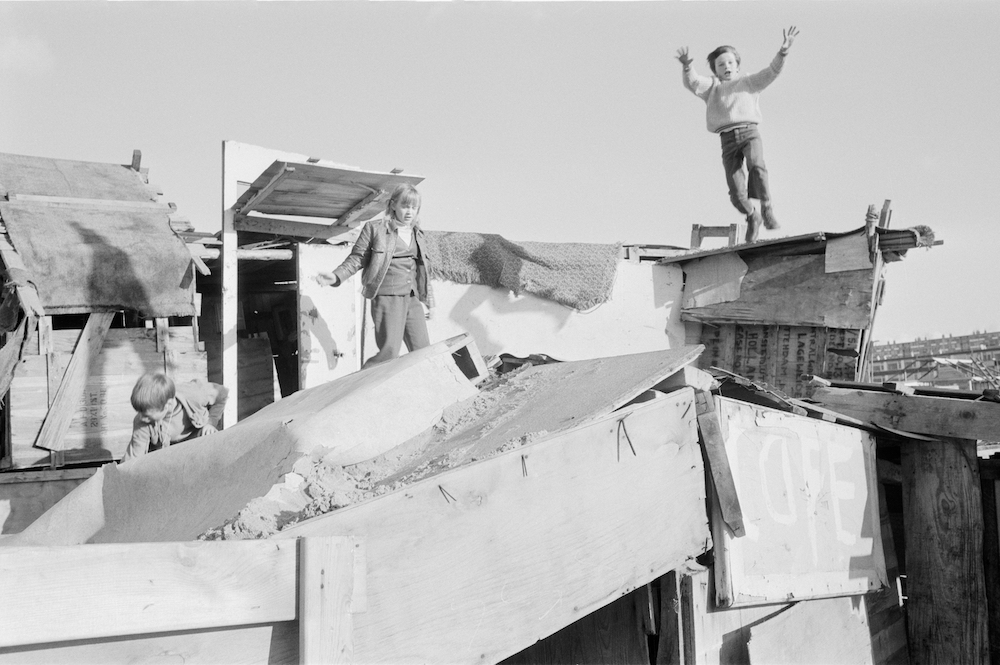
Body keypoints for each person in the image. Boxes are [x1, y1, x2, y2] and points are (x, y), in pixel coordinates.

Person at [677, 26, 800, 243]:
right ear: (715, 70)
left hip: (749, 132)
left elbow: (771, 72)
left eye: (730, 63)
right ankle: (753, 216)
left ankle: (767, 207)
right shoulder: (712, 87)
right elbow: (693, 82)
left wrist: (783, 52)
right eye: (721, 64)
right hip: (726, 139)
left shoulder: (749, 82)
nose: (726, 67)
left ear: (737, 65)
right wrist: (688, 66)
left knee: (757, 165)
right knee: (735, 193)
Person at [315, 183, 434, 368]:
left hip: (412, 297)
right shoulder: (375, 229)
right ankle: (359, 389)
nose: (410, 212)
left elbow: (422, 269)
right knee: (389, 353)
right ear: (393, 205)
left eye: (414, 207)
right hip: (387, 296)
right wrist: (336, 276)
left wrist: (428, 302)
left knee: (423, 351)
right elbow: (357, 258)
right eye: (405, 206)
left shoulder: (418, 234)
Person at [121, 372, 228, 462]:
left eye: (147, 415)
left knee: (211, 438)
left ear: (168, 405)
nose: (142, 418)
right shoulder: (142, 421)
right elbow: (134, 458)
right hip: (168, 456)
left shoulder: (194, 393)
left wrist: (210, 422)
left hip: (197, 442)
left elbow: (222, 394)